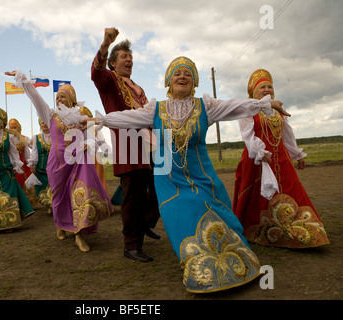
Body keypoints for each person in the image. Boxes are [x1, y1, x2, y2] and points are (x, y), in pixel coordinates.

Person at [93, 56, 291, 293]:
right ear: (169, 80)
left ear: (194, 81)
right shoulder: (156, 109)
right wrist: (103, 119)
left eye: (187, 73)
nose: (182, 76)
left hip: (201, 172)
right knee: (181, 214)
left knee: (215, 212)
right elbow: (129, 118)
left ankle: (233, 259)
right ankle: (199, 265)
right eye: (177, 73)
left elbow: (234, 107)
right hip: (168, 175)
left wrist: (264, 104)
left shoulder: (205, 106)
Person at [6, 71, 112, 253]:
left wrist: (87, 144)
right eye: (57, 96)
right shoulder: (50, 115)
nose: (59, 99)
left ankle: (79, 234)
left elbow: (92, 136)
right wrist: (24, 79)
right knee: (59, 197)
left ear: (71, 98)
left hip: (78, 161)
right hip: (56, 162)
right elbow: (36, 98)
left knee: (80, 194)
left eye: (63, 96)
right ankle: (60, 224)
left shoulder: (81, 118)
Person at [232, 69, 330, 248]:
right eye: (262, 87)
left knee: (292, 190)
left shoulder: (278, 111)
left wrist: (297, 154)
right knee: (256, 196)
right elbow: (247, 136)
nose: (267, 89)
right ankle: (258, 230)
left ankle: (296, 231)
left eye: (270, 86)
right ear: (253, 91)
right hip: (257, 159)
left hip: (281, 158)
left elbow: (287, 135)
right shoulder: (248, 110)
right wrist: (260, 152)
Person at [91, 27, 160, 262]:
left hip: (149, 144)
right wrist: (105, 45)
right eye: (123, 56)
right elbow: (96, 73)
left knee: (162, 183)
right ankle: (131, 245)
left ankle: (146, 222)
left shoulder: (137, 87)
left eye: (130, 57)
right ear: (113, 63)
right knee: (133, 196)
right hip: (127, 144)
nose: (129, 59)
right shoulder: (110, 81)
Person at [25, 118, 53, 213]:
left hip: (54, 166)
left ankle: (54, 205)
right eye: (42, 122)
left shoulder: (56, 135)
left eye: (46, 122)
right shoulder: (36, 138)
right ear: (40, 125)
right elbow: (35, 152)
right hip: (42, 167)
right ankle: (49, 205)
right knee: (43, 188)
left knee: (55, 186)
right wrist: (32, 164)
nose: (44, 124)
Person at [8, 118, 34, 203]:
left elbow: (27, 153)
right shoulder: (7, 138)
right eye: (11, 128)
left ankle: (26, 202)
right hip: (11, 165)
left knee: (25, 182)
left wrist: (30, 163)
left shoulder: (23, 139)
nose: (13, 130)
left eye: (15, 127)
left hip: (22, 165)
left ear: (19, 128)